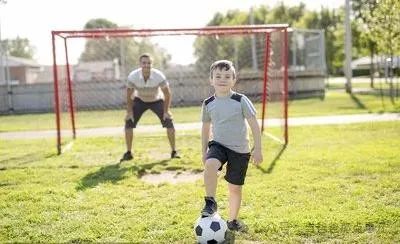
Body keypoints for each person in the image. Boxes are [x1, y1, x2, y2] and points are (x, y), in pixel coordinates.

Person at [200, 60, 263, 232]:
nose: (222, 79)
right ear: (211, 80)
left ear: (234, 80)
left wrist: (258, 148)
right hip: (218, 144)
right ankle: (210, 202)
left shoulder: (241, 100)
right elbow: (205, 129)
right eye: (218, 76)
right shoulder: (208, 103)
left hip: (240, 150)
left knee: (234, 188)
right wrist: (204, 151)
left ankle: (233, 220)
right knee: (210, 165)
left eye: (227, 76)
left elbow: (254, 125)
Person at [121, 53, 180, 161]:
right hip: (140, 100)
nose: (146, 65)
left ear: (152, 64)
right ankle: (128, 153)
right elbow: (129, 95)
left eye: (149, 63)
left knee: (169, 121)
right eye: (144, 63)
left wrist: (166, 111)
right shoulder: (133, 76)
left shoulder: (159, 76)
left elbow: (167, 94)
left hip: (156, 100)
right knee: (128, 122)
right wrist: (129, 112)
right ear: (140, 64)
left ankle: (174, 151)